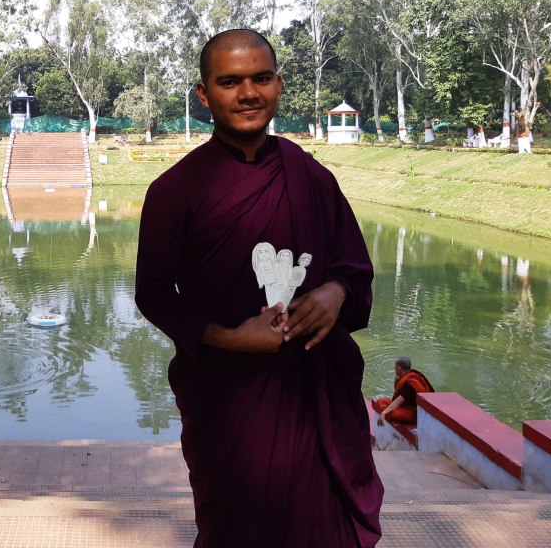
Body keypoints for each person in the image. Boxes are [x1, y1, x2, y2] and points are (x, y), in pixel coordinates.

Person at [135, 29, 383, 548]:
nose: (248, 93)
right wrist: (227, 337)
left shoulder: (310, 176)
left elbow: (353, 267)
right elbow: (153, 292)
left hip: (314, 396)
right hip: (230, 405)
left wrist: (336, 292)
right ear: (204, 94)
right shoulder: (174, 191)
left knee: (325, 528)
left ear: (278, 84)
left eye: (260, 78)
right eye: (229, 82)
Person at [373, 357, 435, 426]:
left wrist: (384, 413)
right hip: (405, 406)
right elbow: (396, 391)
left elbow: (399, 400)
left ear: (399, 368)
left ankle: (400, 419)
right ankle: (399, 418)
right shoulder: (407, 375)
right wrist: (397, 377)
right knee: (380, 401)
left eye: (395, 367)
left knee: (392, 413)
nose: (394, 369)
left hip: (414, 412)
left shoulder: (411, 382)